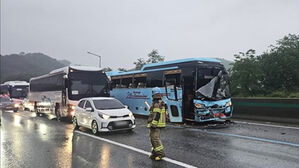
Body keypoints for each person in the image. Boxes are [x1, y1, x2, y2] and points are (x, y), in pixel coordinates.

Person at [147, 87, 167, 161]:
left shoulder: (156, 103)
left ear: (153, 95)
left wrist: (153, 124)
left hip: (156, 125)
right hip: (157, 124)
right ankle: (154, 153)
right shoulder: (161, 102)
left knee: (155, 139)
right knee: (152, 139)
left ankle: (161, 154)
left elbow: (157, 115)